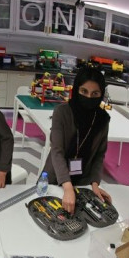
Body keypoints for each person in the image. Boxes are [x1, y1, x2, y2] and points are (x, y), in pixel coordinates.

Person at [41, 67, 112, 213]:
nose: (89, 97)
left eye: (95, 93)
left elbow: (99, 155)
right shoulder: (62, 112)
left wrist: (95, 184)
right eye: (84, 91)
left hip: (83, 180)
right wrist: (67, 187)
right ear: (76, 89)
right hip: (57, 177)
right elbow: (57, 151)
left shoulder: (102, 119)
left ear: (101, 95)